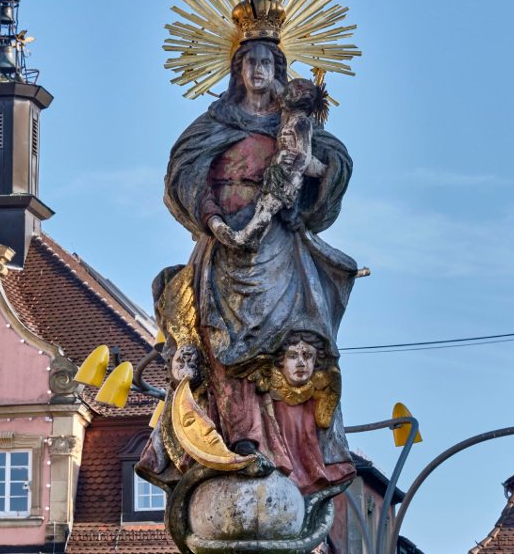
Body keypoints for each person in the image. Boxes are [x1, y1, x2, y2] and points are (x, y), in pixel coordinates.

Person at [143, 38, 358, 496]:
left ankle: (289, 452)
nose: (258, 70)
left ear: (278, 67)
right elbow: (181, 176)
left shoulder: (295, 122)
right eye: (250, 62)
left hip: (279, 245)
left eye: (266, 62)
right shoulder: (213, 123)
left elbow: (337, 165)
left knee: (285, 343)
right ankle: (238, 439)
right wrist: (214, 221)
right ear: (236, 69)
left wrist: (308, 166)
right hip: (224, 248)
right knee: (222, 348)